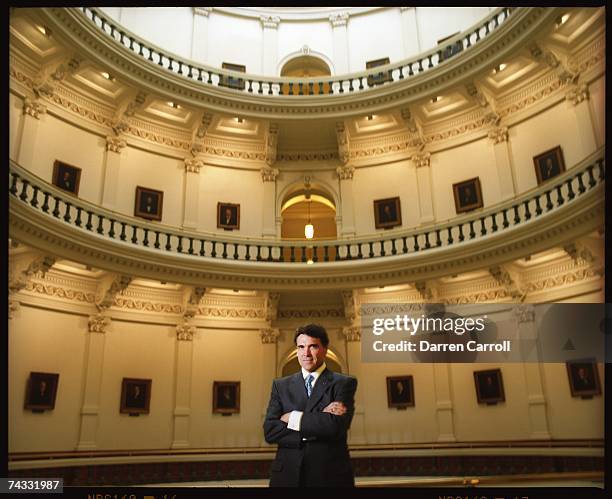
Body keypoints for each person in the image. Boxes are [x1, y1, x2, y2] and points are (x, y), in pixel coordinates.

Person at [263, 323, 358, 487]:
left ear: (325, 349)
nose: (306, 353)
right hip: (287, 476)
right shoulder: (281, 385)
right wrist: (320, 419)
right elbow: (270, 431)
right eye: (301, 347)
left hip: (329, 476)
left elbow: (335, 426)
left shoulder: (343, 383)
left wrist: (292, 417)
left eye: (313, 346)